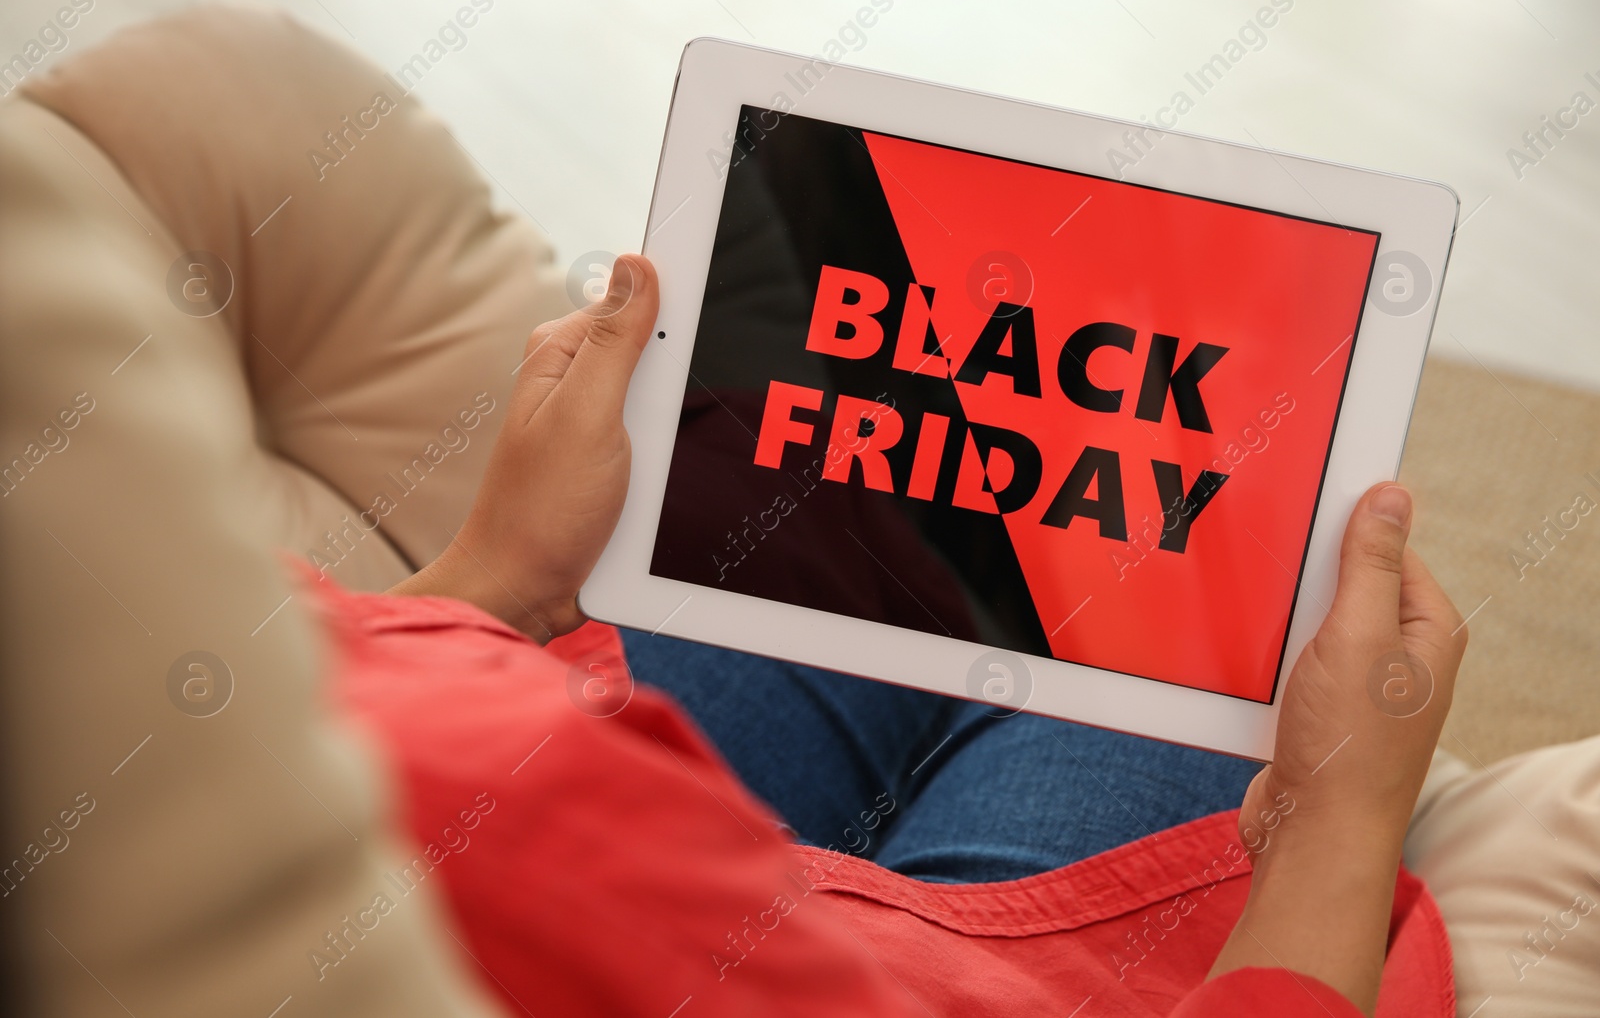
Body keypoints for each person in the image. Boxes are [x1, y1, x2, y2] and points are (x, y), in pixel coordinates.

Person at [371, 253, 1465, 1016]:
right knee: (1184, 583)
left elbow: (301, 701)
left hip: (491, 836)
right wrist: (1337, 820)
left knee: (830, 496)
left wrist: (491, 586)